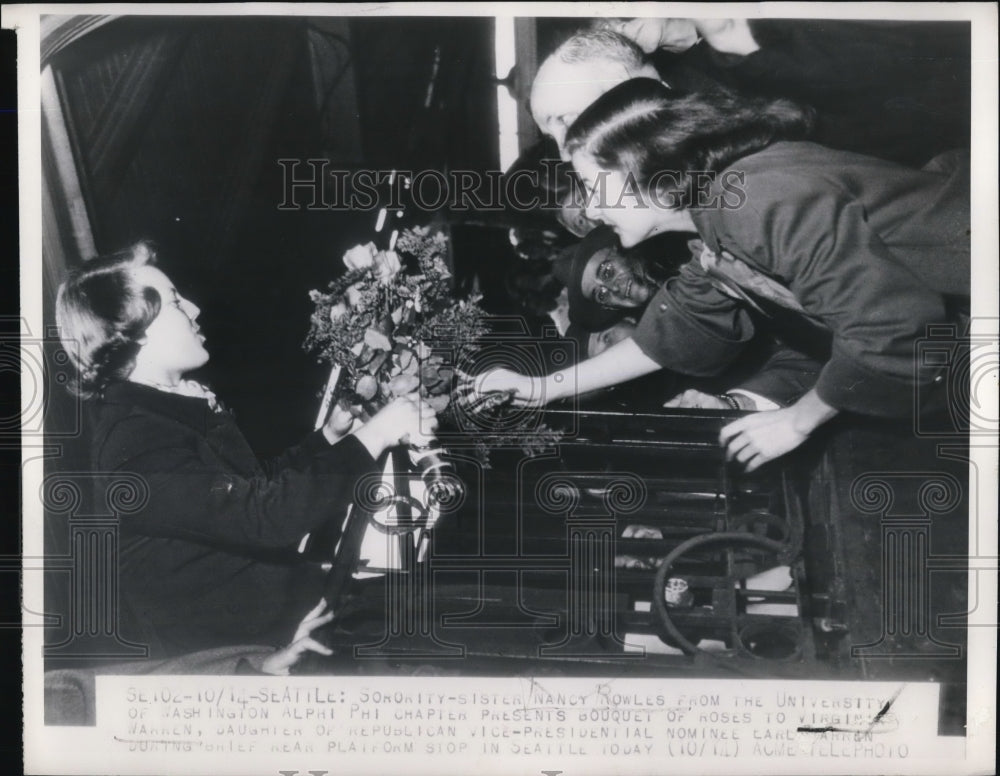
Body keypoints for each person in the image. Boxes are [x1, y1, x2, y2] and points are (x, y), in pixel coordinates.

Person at [472, 79, 968, 471]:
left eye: (591, 185)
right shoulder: (718, 223)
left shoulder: (751, 200)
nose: (595, 212)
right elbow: (668, 335)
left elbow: (891, 326)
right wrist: (541, 388)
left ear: (649, 175)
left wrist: (798, 421)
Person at [55, 241, 437, 658]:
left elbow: (249, 491)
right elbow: (266, 517)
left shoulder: (161, 410)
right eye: (177, 302)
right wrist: (375, 435)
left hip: (295, 614)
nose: (195, 309)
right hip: (261, 654)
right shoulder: (134, 440)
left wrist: (327, 438)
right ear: (137, 328)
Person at [533, 23, 969, 167]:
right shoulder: (678, 157)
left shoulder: (735, 56)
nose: (566, 152)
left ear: (614, 75)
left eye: (561, 120)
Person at [553, 226, 822, 411]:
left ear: (622, 248)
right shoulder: (684, 371)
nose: (610, 288)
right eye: (600, 294)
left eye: (608, 271)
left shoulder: (694, 256)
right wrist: (735, 404)